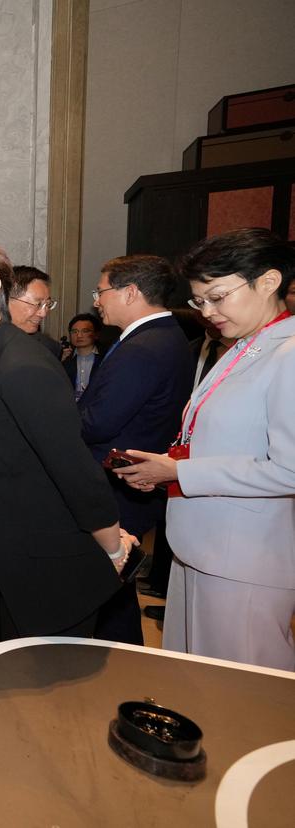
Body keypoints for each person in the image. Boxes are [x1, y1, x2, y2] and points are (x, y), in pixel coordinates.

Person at [0, 233, 133, 634]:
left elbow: (76, 474)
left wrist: (114, 549)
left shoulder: (22, 367)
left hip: (54, 574)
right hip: (17, 567)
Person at [114, 228, 295, 670]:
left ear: (268, 281)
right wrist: (165, 467)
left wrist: (180, 473)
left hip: (245, 557)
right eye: (199, 301)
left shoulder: (288, 354)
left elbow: (289, 469)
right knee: (195, 679)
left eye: (217, 297)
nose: (208, 313)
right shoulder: (243, 348)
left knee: (242, 688)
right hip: (201, 545)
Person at [78, 254, 193, 644]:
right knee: (113, 590)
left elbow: (99, 422)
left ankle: (116, 661)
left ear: (130, 292)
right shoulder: (164, 337)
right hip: (132, 482)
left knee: (106, 588)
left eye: (101, 291)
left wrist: (54, 418)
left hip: (120, 484)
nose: (97, 300)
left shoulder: (145, 347)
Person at [9, 265, 62, 359]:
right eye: (38, 304)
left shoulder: (49, 349)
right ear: (6, 300)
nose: (43, 313)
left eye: (48, 304)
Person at [62, 312, 101, 400]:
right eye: (74, 331)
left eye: (85, 331)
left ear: (96, 335)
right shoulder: (65, 359)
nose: (79, 335)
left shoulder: (106, 358)